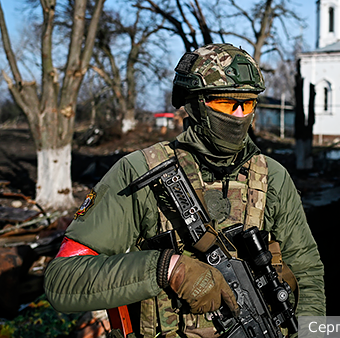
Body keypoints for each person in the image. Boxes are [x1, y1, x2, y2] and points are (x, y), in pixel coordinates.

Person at [44, 43, 325, 338]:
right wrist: (167, 269)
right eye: (228, 104)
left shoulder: (273, 177)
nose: (240, 115)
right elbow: (63, 280)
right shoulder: (139, 171)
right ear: (193, 104)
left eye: (249, 104)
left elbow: (306, 272)